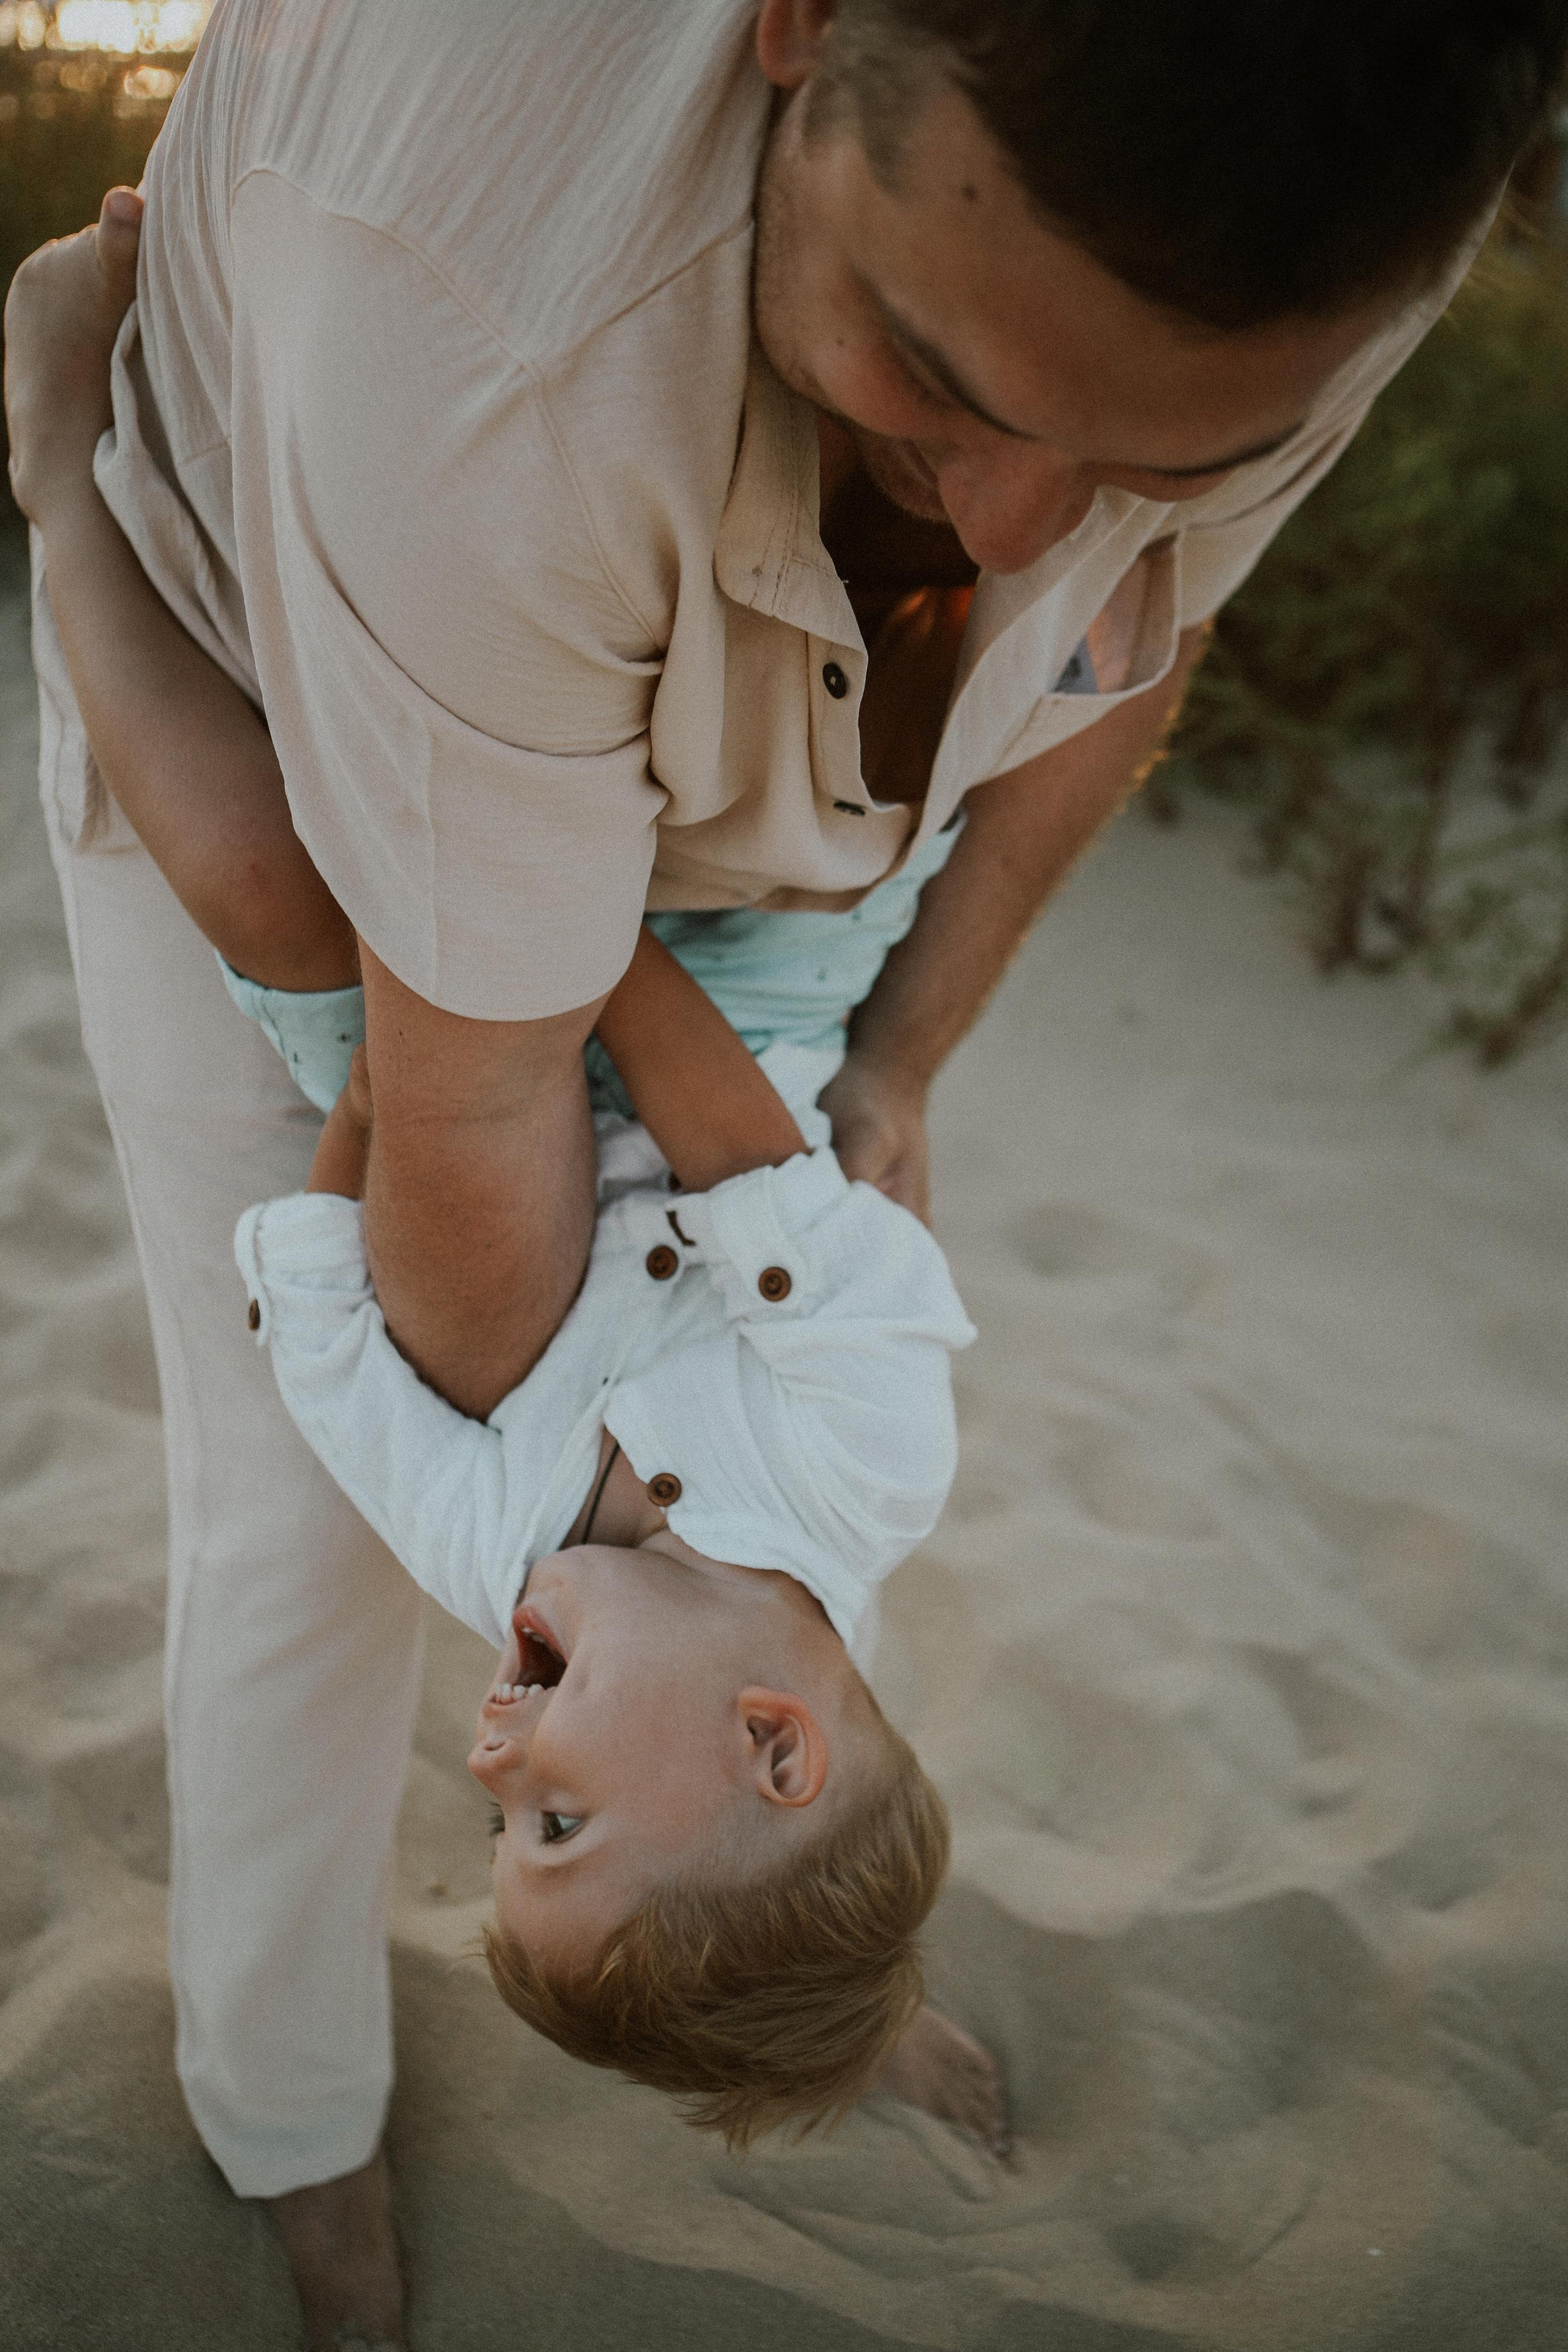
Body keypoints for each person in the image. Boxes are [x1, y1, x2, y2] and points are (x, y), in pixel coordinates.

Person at [12, 1, 1567, 2341]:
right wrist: (550, 956)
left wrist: (899, 1047)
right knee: (298, 1551)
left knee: (308, 953)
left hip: (595, 991)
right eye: (939, 372)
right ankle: (291, 2115)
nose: (1031, 530)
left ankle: (814, 1969)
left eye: (1166, 456)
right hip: (322, 653)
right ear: (808, 31)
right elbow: (617, 1153)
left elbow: (1111, 650)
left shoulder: (1342, 188)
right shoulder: (464, 307)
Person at [8, 209, 974, 2149]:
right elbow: (757, 1166)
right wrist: (566, 939)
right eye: (555, 1815)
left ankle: (55, 477)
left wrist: (383, 1067)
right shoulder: (870, 1470)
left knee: (264, 889)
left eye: (494, 1821)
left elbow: (332, 1351)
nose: (488, 1755)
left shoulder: (495, 1559)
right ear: (772, 1741)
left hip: (431, 1076)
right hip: (723, 1023)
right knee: (885, 759)